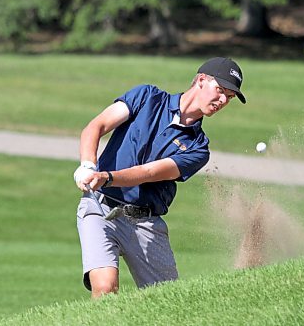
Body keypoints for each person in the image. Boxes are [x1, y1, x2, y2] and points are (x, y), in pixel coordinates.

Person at [73, 57, 246, 298]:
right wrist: (87, 165)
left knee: (168, 302)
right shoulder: (147, 97)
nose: (222, 101)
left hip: (146, 223)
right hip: (99, 208)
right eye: (220, 91)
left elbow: (149, 173)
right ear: (201, 80)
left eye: (229, 97)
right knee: (105, 288)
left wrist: (106, 176)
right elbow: (97, 126)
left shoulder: (198, 148)